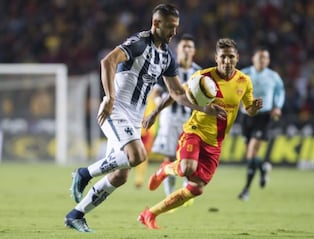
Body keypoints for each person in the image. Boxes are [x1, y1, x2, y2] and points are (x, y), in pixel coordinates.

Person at [64, 4, 226, 233]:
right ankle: (83, 173)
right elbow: (107, 62)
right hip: (115, 111)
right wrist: (109, 97)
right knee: (138, 154)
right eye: (170, 27)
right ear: (156, 23)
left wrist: (202, 108)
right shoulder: (139, 43)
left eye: (177, 27)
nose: (174, 32)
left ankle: (76, 214)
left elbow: (177, 92)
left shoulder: (167, 56)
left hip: (133, 118)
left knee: (120, 176)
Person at [138, 38, 263, 229]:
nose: (227, 61)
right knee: (187, 168)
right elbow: (175, 93)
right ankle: (164, 170)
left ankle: (150, 214)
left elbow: (248, 109)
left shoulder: (244, 81)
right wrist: (155, 112)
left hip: (215, 142)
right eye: (223, 57)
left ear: (237, 58)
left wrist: (253, 108)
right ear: (216, 58)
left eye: (231, 57)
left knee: (196, 188)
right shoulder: (203, 78)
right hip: (194, 131)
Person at [150, 33, 201, 200]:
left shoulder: (198, 73)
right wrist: (159, 103)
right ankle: (169, 192)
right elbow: (156, 90)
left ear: (194, 51)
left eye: (190, 47)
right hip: (170, 119)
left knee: (189, 156)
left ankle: (185, 191)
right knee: (171, 156)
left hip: (190, 121)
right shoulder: (169, 68)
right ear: (178, 49)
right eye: (183, 46)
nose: (186, 50)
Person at [238, 47, 285, 201]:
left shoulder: (273, 76)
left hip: (264, 117)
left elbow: (280, 92)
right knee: (251, 155)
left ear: (268, 60)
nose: (262, 60)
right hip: (246, 116)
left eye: (265, 58)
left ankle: (246, 190)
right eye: (260, 57)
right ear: (253, 59)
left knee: (251, 152)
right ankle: (263, 168)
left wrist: (277, 106)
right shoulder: (245, 73)